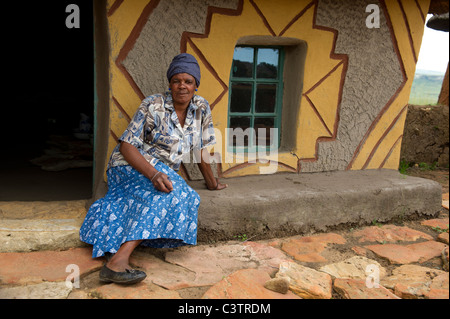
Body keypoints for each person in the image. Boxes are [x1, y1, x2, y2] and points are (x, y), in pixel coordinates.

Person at [79, 53, 227, 284]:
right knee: (172, 195)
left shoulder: (201, 108)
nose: (182, 86)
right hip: (129, 165)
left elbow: (201, 147)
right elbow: (127, 146)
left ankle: (115, 246)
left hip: (162, 171)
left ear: (196, 85)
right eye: (176, 80)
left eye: (188, 81)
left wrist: (212, 182)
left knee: (185, 196)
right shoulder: (153, 104)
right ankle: (118, 261)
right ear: (170, 83)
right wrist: (153, 173)